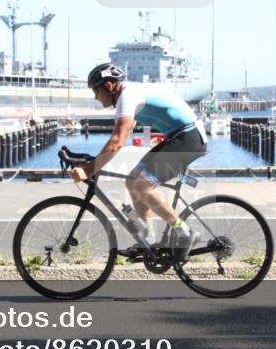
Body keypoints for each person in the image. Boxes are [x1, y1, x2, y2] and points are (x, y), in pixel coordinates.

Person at [71, 62, 208, 260]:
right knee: (132, 180)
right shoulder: (129, 94)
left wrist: (89, 170)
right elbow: (122, 134)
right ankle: (148, 238)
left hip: (187, 138)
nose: (96, 97)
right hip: (179, 137)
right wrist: (94, 160)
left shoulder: (127, 96)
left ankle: (185, 232)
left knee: (142, 186)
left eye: (96, 91)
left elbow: (117, 141)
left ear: (108, 86)